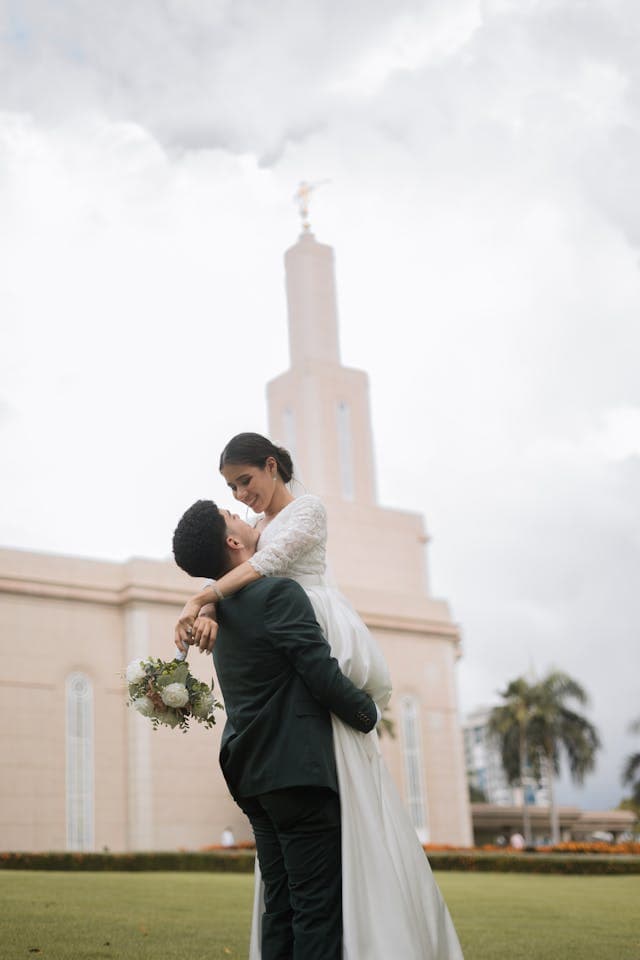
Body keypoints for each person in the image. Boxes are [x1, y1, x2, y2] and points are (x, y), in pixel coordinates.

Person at [174, 432, 464, 960]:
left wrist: (205, 597)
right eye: (232, 489)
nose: (243, 496)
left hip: (310, 619)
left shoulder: (305, 511)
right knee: (303, 897)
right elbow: (238, 567)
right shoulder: (253, 534)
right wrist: (214, 604)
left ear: (272, 466)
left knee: (294, 890)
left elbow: (257, 566)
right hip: (288, 636)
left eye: (246, 481)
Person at [173, 502, 379, 960]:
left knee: (279, 907)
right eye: (233, 513)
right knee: (315, 911)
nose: (245, 516)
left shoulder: (218, 615)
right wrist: (368, 714)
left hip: (250, 776)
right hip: (297, 775)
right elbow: (319, 673)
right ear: (233, 541)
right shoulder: (278, 595)